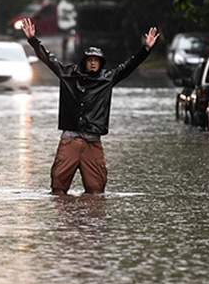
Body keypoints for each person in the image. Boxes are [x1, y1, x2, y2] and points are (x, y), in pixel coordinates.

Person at [21, 18, 160, 195]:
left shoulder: (107, 79)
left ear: (101, 63)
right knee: (58, 190)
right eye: (90, 60)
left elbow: (129, 66)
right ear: (84, 62)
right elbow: (49, 59)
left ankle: (89, 214)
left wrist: (146, 49)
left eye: (97, 60)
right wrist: (33, 40)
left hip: (93, 142)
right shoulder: (68, 74)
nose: (93, 63)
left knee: (96, 191)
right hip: (70, 139)